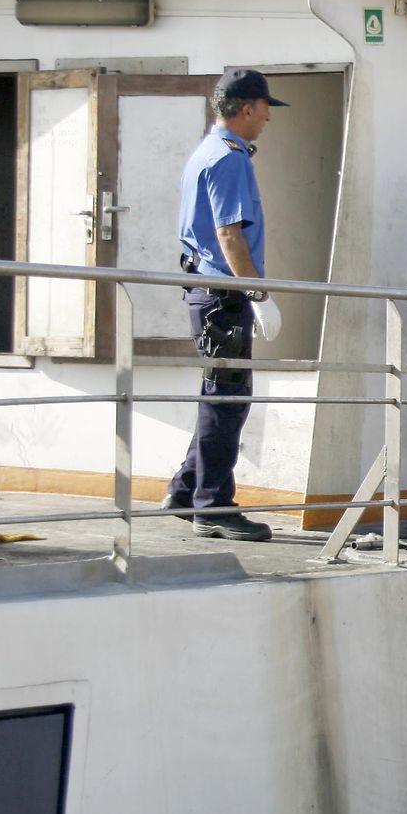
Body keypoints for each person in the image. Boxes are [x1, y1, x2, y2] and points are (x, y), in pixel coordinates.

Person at [164, 68, 287, 542]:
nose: (267, 120)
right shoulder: (230, 158)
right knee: (227, 398)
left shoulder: (208, 150)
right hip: (222, 294)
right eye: (265, 109)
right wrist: (259, 295)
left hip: (208, 290)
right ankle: (213, 505)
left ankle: (187, 488)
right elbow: (230, 235)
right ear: (248, 108)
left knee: (221, 392)